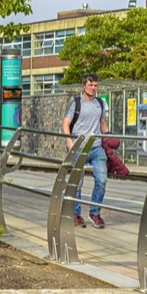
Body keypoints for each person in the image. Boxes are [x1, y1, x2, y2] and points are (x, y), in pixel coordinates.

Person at [61, 73, 110, 228]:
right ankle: (76, 214)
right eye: (90, 85)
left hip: (96, 147)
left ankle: (94, 213)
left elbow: (102, 123)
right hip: (79, 146)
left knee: (102, 179)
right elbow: (65, 124)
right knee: (78, 182)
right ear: (83, 86)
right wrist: (70, 143)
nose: (93, 88)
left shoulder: (100, 103)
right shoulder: (75, 103)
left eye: (96, 85)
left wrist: (109, 138)